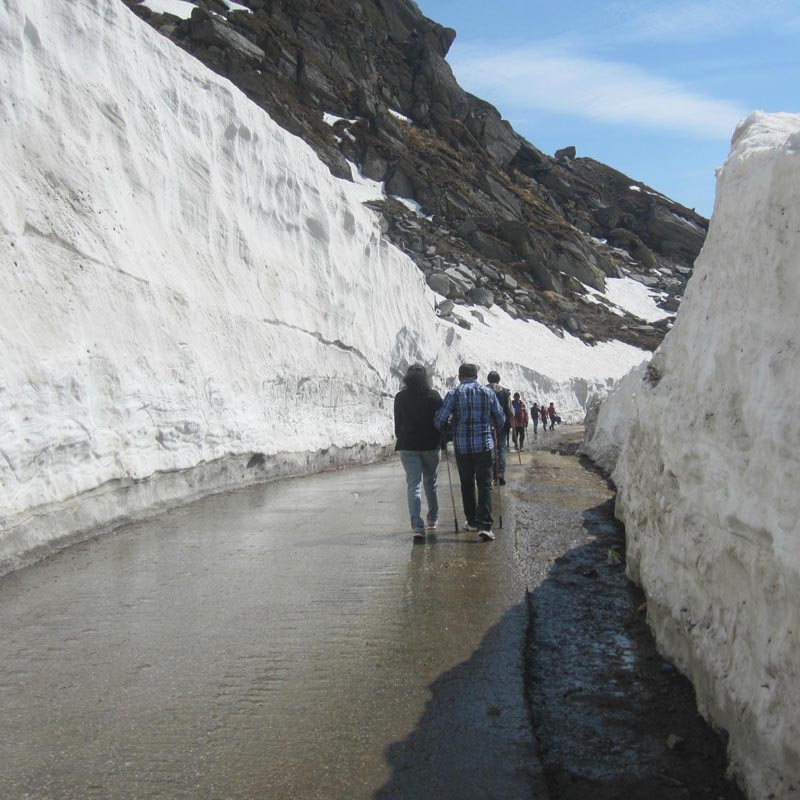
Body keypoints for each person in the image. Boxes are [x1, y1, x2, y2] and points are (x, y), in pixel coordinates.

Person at [434, 363, 505, 542]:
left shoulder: (453, 394)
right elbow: (501, 418)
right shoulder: (488, 393)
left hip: (462, 448)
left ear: (460, 376)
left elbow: (440, 420)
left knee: (466, 484)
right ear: (476, 376)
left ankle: (472, 521)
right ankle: (486, 526)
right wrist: (492, 424)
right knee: (485, 484)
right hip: (484, 446)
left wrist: (448, 426)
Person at [394, 364, 443, 542]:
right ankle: (432, 519)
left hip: (408, 446)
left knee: (413, 484)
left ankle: (417, 526)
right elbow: (441, 419)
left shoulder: (400, 397)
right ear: (425, 378)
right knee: (431, 482)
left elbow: (397, 424)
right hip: (431, 445)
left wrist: (403, 437)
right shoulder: (434, 396)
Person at [486, 370, 512, 484]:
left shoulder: (484, 390)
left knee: (490, 447)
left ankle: (491, 472)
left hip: (488, 424)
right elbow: (511, 410)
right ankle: (500, 472)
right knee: (501, 448)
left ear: (488, 379)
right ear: (499, 379)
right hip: (502, 424)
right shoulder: (506, 392)